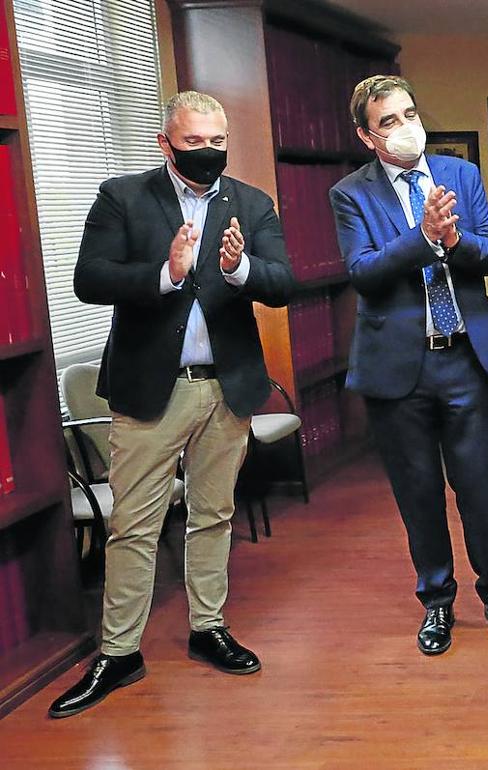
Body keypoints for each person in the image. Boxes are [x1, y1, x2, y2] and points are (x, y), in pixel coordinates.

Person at [50, 91, 295, 718]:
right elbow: (88, 278)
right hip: (149, 389)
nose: (209, 153)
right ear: (167, 143)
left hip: (228, 387)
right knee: (133, 524)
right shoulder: (122, 197)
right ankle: (119, 653)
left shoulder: (251, 203)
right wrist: (164, 272)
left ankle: (208, 626)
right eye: (195, 144)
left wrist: (240, 272)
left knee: (213, 515)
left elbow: (283, 282)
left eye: (218, 143)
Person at [329, 76, 488, 656]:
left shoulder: (460, 176)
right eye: (387, 121)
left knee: (480, 492)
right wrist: (422, 238)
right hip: (398, 370)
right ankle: (437, 603)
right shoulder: (351, 194)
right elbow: (362, 271)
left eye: (409, 114)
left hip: (464, 358)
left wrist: (454, 240)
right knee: (418, 495)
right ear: (367, 136)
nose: (404, 127)